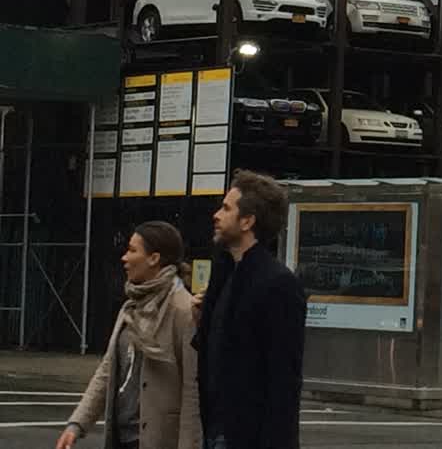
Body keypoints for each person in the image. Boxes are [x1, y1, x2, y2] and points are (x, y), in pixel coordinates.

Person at [59, 221, 201, 449]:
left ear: (154, 258)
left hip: (158, 440)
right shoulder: (130, 309)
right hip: (122, 439)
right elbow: (107, 371)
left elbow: (192, 390)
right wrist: (77, 424)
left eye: (132, 250)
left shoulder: (184, 311)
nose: (124, 258)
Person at [194, 171, 306, 449]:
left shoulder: (278, 284)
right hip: (216, 428)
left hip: (248, 435)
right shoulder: (226, 274)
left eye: (226, 208)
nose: (216, 215)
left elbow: (284, 382)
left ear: (248, 221)